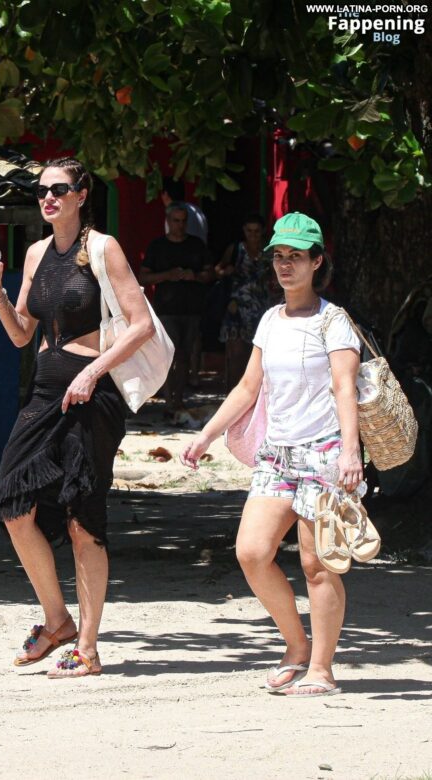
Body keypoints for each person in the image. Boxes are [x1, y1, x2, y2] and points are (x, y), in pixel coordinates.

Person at [0, 157, 154, 679]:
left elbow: (140, 326)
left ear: (81, 195)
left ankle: (87, 648)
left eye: (60, 189)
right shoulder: (35, 252)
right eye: (42, 189)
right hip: (45, 392)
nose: (48, 197)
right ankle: (57, 620)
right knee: (13, 503)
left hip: (92, 393)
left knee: (82, 519)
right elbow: (22, 334)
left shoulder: (103, 248)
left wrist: (93, 372)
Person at [181, 212, 362, 697]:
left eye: (295, 256)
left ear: (317, 262)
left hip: (324, 454)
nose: (285, 265)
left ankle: (322, 669)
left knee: (317, 565)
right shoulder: (269, 319)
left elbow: (345, 388)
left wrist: (350, 452)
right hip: (277, 455)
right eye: (279, 256)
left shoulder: (334, 321)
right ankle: (297, 646)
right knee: (252, 552)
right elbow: (247, 387)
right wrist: (206, 435)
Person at [140, 202, 214, 414]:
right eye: (176, 221)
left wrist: (195, 276)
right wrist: (167, 275)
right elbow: (143, 276)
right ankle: (168, 401)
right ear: (168, 221)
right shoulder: (157, 246)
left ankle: (178, 399)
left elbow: (210, 273)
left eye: (183, 221)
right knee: (167, 356)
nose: (180, 225)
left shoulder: (196, 245)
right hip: (166, 309)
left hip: (192, 309)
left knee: (184, 356)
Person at [216, 213, 274, 390]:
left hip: (262, 309)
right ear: (244, 231)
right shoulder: (236, 249)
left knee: (260, 357)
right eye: (249, 231)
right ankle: (232, 395)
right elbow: (217, 269)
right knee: (236, 356)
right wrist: (225, 272)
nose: (253, 235)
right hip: (237, 308)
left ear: (263, 231)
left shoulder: (269, 252)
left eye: (257, 231)